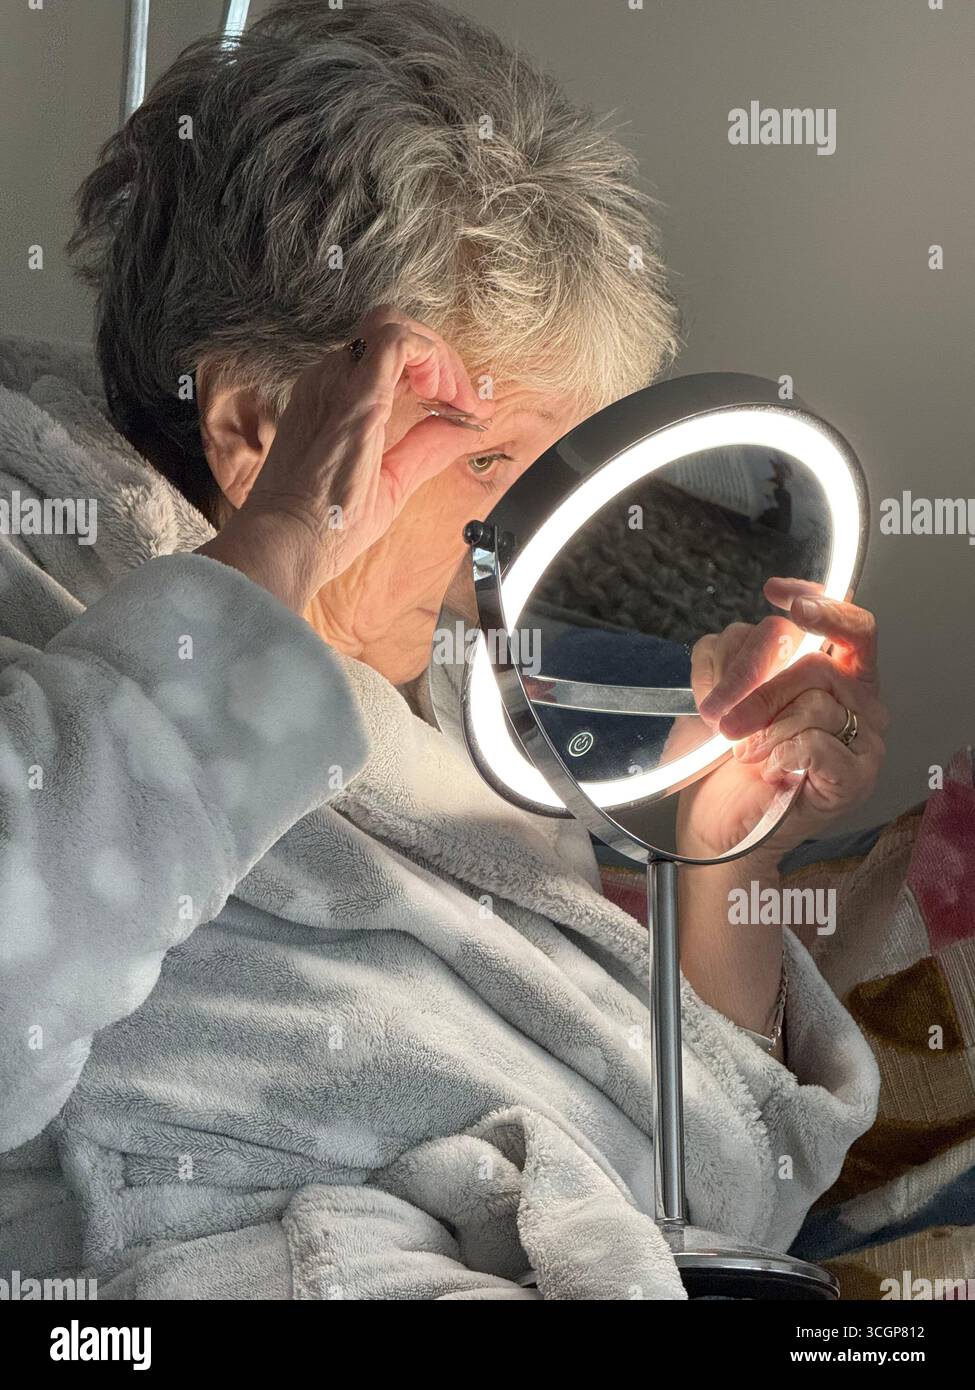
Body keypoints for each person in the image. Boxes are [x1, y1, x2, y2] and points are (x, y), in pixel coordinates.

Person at [0, 0, 886, 1298]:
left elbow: (713, 1173)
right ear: (259, 427)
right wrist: (273, 560)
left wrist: (722, 841)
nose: (506, 544)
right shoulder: (45, 576)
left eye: (535, 468)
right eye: (480, 459)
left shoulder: (476, 695)